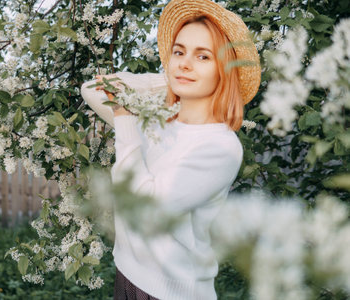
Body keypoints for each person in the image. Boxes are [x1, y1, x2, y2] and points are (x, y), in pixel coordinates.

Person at [80, 0, 260, 299]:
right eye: (179, 51)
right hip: (128, 275)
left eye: (203, 56)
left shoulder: (219, 146)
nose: (185, 63)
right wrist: (174, 77)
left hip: (169, 291)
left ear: (224, 71)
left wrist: (126, 118)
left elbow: (144, 209)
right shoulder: (159, 119)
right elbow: (92, 89)